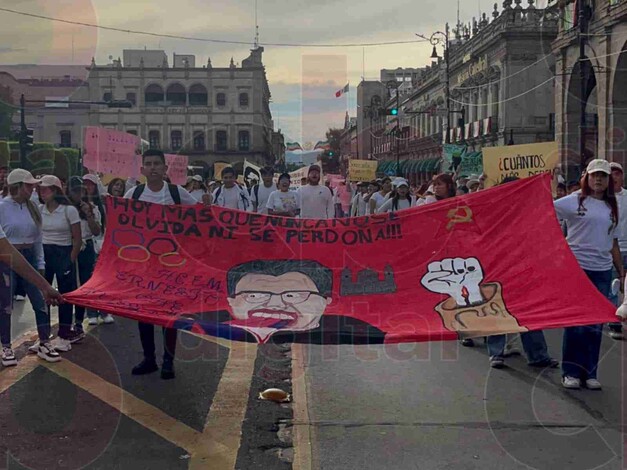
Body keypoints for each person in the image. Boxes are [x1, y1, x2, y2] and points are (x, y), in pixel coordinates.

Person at [124, 149, 208, 380]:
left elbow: (199, 216)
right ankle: (149, 359)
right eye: (148, 164)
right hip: (143, 264)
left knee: (170, 313)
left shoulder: (177, 192)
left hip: (172, 263)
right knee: (144, 313)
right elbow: (121, 224)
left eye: (156, 164)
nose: (152, 168)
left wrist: (207, 206)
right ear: (142, 169)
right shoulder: (134, 193)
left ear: (164, 168)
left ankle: (168, 361)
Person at [173, 260, 386, 344]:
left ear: (325, 301)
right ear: (231, 302)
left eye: (293, 295)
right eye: (255, 296)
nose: (276, 305)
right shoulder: (200, 321)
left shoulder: (358, 329)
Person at [554, 159, 623, 390]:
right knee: (576, 323)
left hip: (603, 270)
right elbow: (546, 210)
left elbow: (613, 241)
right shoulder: (574, 201)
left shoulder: (613, 207)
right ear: (587, 178)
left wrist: (621, 271)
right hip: (577, 269)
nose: (599, 180)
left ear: (608, 181)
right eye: (595, 176)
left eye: (603, 176)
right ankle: (570, 372)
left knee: (595, 324)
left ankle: (590, 372)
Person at [486, 176, 559, 369]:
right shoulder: (492, 213)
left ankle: (538, 355)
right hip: (499, 268)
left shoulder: (528, 211)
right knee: (497, 311)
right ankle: (496, 353)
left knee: (530, 311)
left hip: (523, 269)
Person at [0, 169, 64, 364]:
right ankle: (6, 346)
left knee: (40, 302)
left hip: (28, 258)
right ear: (17, 186)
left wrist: (40, 263)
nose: (33, 188)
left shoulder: (33, 206)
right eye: (29, 185)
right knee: (6, 305)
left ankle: (45, 341)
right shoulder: (2, 207)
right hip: (6, 259)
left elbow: (38, 240)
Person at [39, 174, 83, 351]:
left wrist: (70, 260)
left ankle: (64, 333)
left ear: (56, 190)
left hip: (64, 252)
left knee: (65, 295)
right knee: (43, 294)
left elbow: (77, 239)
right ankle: (44, 333)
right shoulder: (39, 209)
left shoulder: (69, 210)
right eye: (40, 189)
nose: (42, 193)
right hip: (44, 252)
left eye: (46, 189)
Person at [67, 177, 113, 327]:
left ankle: (88, 315)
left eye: (81, 190)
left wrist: (89, 214)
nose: (78, 194)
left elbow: (96, 231)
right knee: (71, 283)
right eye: (75, 190)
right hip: (69, 247)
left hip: (86, 247)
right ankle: (72, 319)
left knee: (89, 281)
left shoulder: (92, 207)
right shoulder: (64, 209)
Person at [608, 162, 627, 340]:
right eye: (611, 173)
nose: (614, 176)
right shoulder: (603, 199)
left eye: (617, 173)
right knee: (613, 286)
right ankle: (614, 323)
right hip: (612, 248)